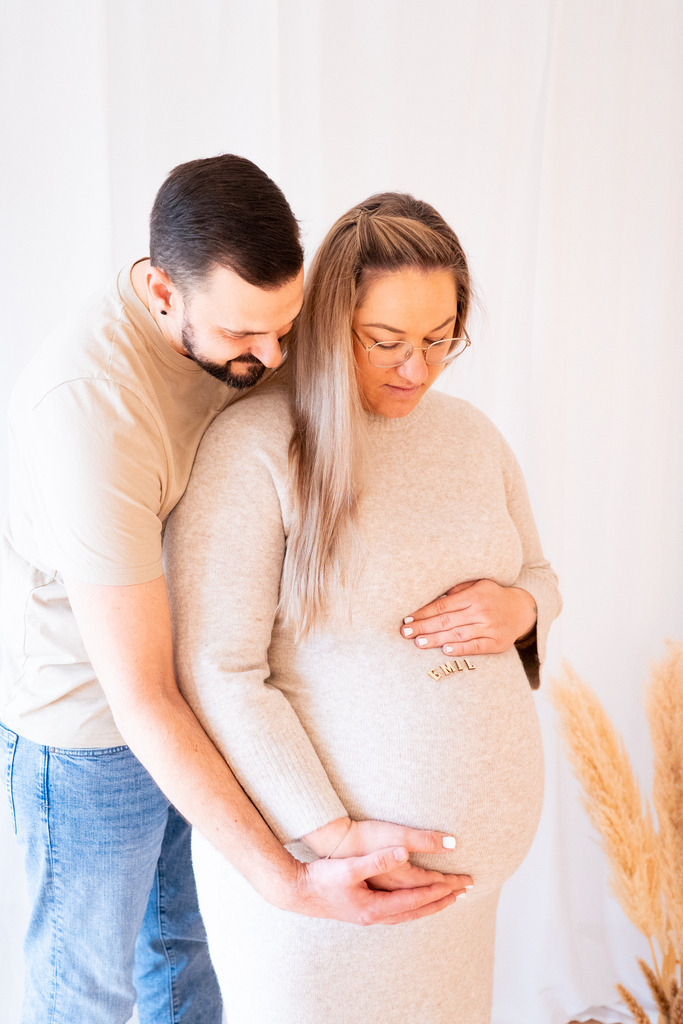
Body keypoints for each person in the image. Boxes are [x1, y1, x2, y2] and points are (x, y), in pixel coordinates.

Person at [0, 160, 472, 1024]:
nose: (274, 358)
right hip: (91, 730)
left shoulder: (236, 329)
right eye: (244, 339)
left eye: (285, 328)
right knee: (86, 994)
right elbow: (136, 695)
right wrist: (290, 880)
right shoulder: (93, 417)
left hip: (185, 706)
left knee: (176, 958)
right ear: (158, 291)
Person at [164, 192, 562, 1024]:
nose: (414, 368)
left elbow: (537, 572)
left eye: (438, 339)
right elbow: (218, 672)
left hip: (457, 909)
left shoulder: (472, 437)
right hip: (326, 892)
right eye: (384, 341)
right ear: (324, 320)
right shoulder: (255, 451)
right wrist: (327, 832)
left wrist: (521, 607)